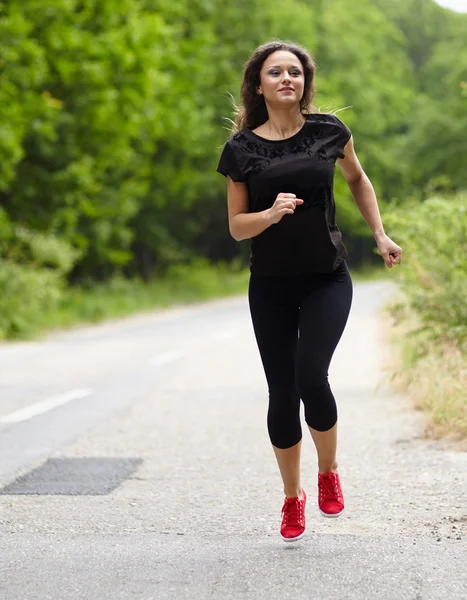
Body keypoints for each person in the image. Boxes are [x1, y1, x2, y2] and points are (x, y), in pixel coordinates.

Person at [216, 40, 402, 543]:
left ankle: (328, 471)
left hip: (327, 277)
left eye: (294, 72)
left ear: (304, 82)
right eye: (275, 72)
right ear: (259, 84)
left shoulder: (329, 132)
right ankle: (292, 498)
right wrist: (270, 214)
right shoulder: (240, 150)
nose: (286, 79)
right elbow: (236, 227)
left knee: (310, 376)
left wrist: (380, 234)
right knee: (281, 393)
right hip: (271, 285)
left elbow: (359, 180)